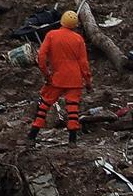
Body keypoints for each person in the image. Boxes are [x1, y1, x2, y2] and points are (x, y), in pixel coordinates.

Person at [28, 10, 91, 142]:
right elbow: (83, 63)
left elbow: (41, 56)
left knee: (44, 106)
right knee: (73, 109)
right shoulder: (78, 39)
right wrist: (88, 81)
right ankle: (72, 140)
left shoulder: (51, 35)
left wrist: (46, 74)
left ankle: (32, 136)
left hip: (56, 78)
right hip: (75, 79)